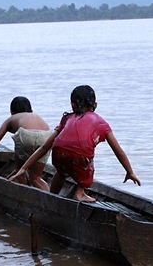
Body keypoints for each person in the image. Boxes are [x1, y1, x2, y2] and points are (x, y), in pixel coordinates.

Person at [9, 85, 140, 202]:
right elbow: (117, 150)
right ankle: (80, 192)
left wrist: (24, 168)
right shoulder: (100, 122)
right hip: (80, 155)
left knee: (61, 172)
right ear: (95, 105)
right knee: (88, 163)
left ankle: (52, 196)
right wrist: (129, 171)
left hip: (58, 152)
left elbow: (45, 147)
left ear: (73, 105)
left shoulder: (66, 119)